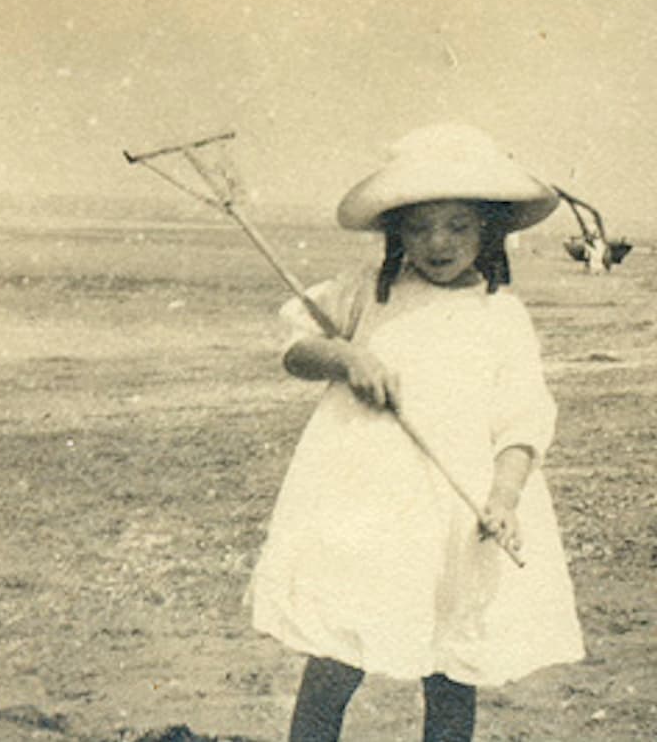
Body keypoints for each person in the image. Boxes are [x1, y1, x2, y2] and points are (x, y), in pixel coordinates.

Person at [245, 123, 584, 741]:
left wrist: (504, 498)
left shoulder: (501, 316)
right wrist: (346, 359)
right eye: (420, 225)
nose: (438, 241)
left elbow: (523, 421)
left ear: (489, 228)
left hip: (459, 511)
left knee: (453, 666)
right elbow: (295, 348)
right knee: (336, 652)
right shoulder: (364, 295)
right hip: (367, 505)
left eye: (457, 224)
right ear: (395, 229)